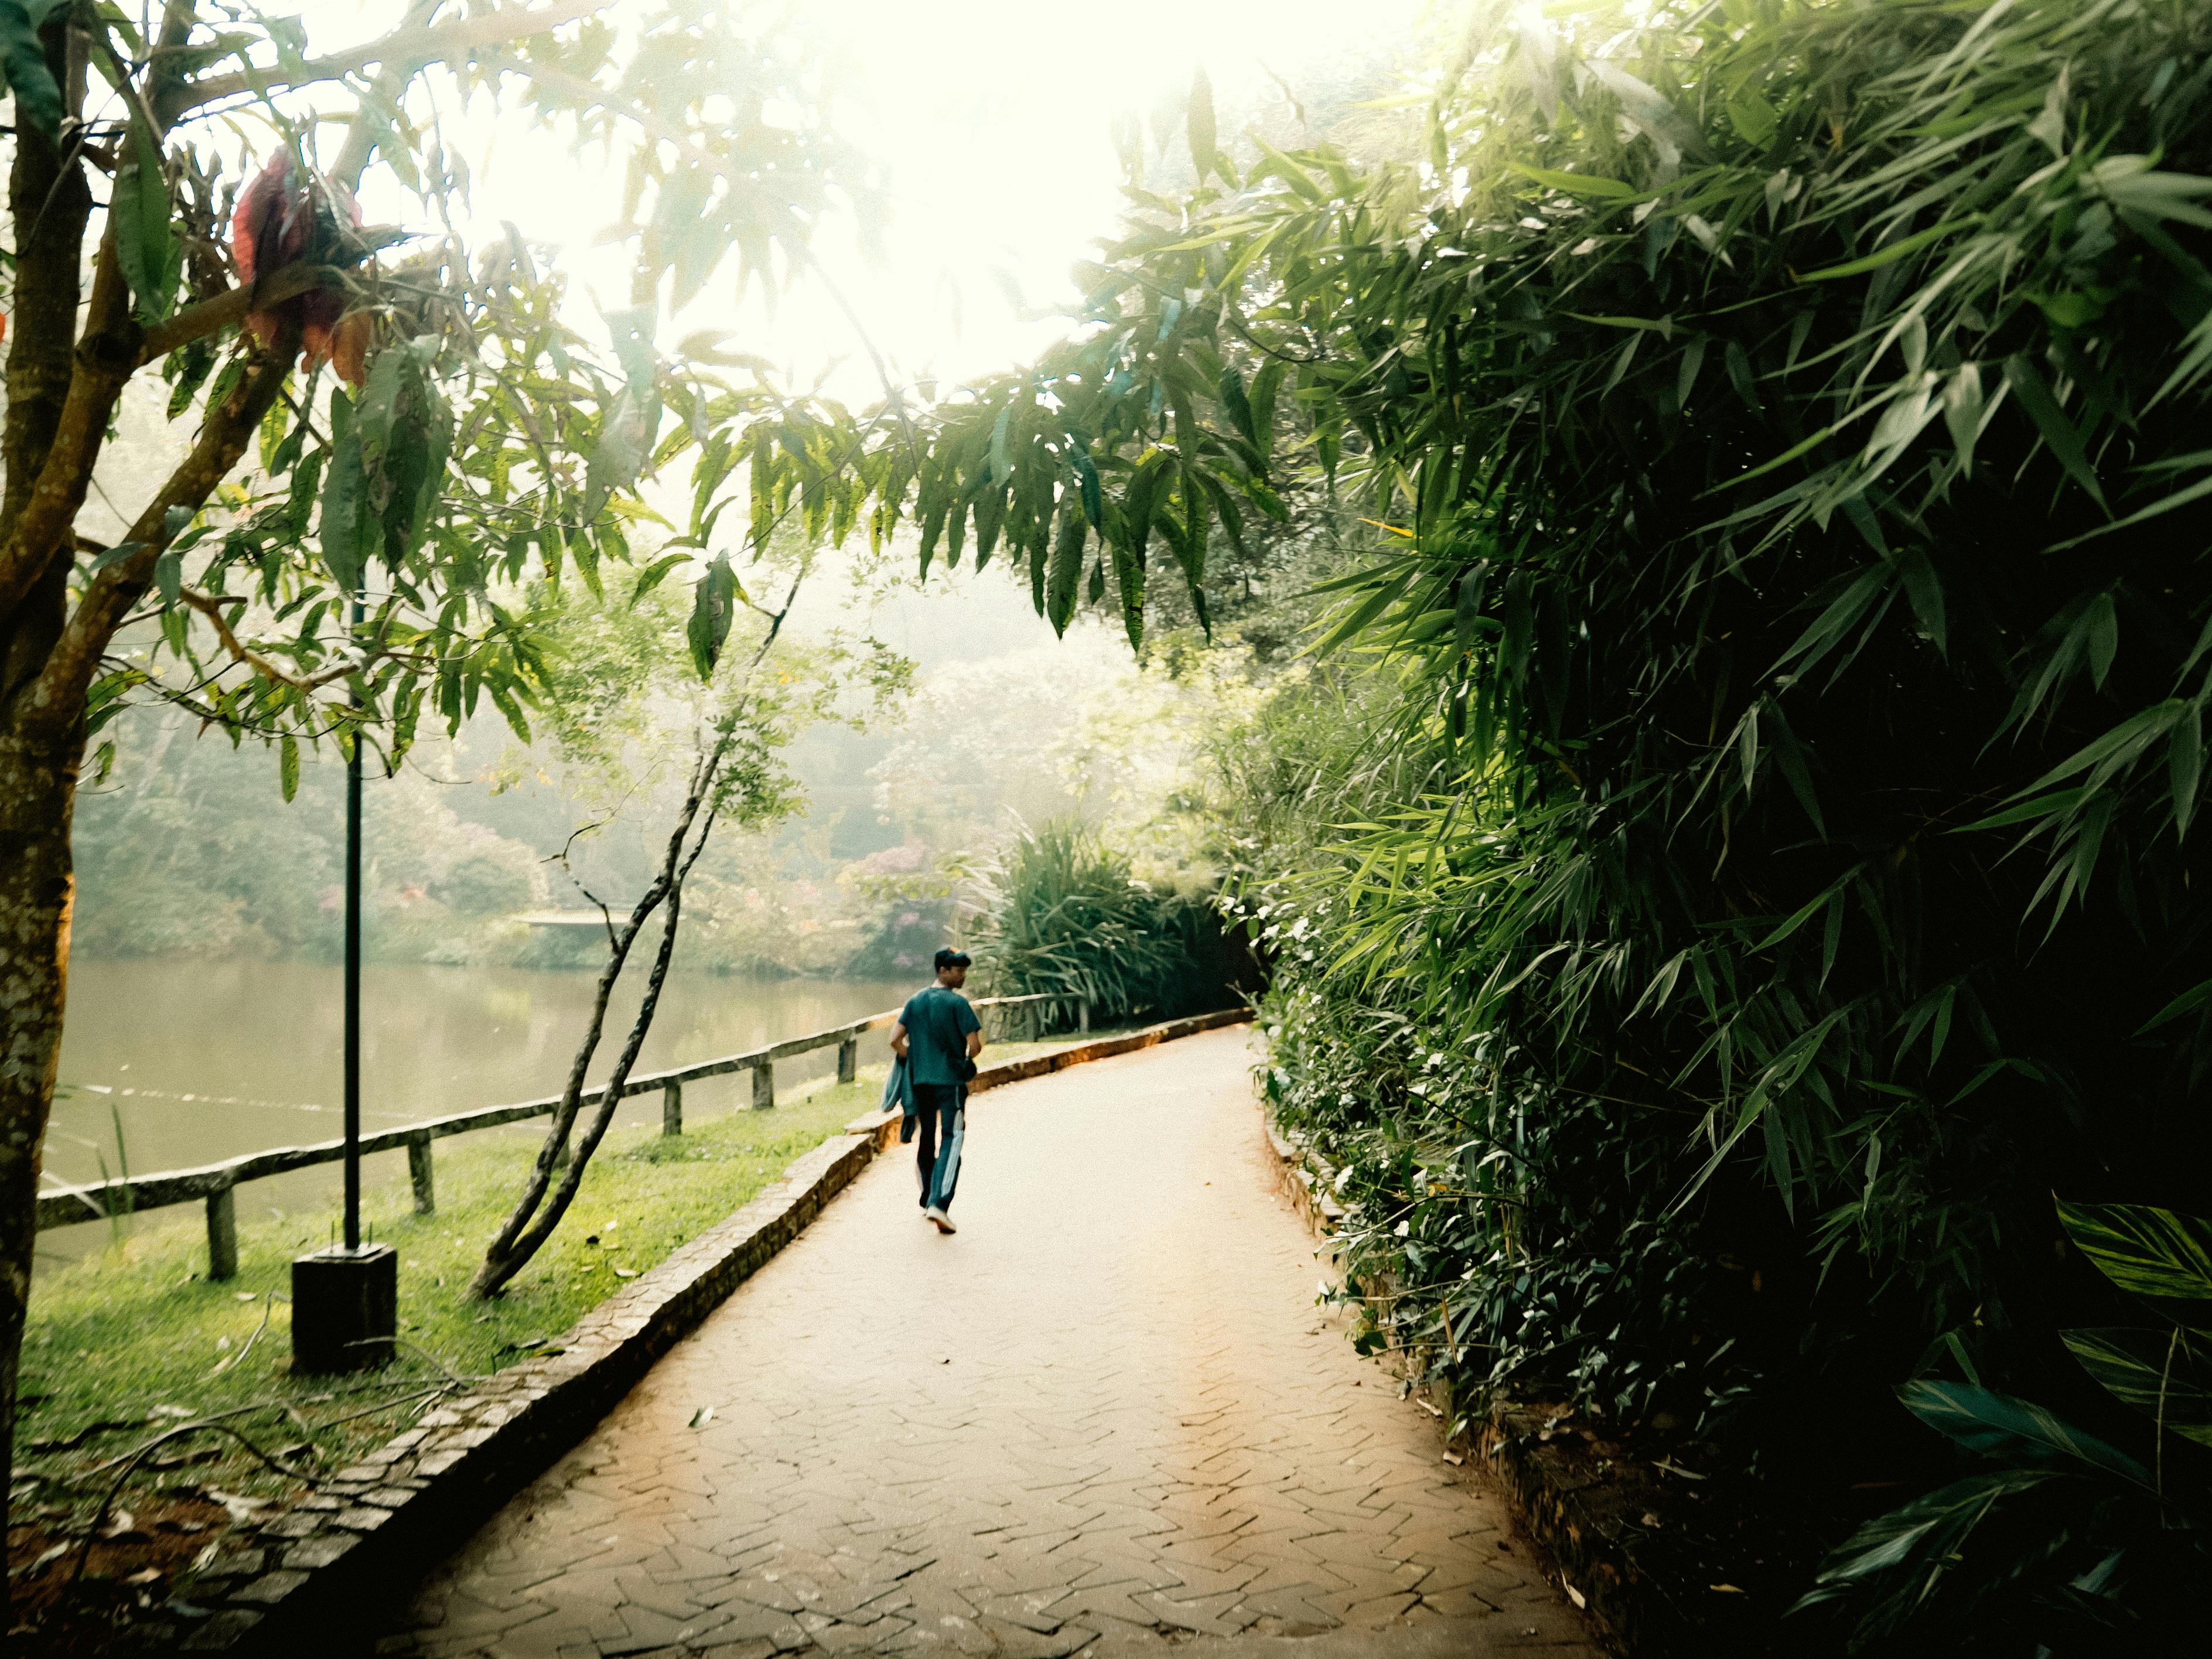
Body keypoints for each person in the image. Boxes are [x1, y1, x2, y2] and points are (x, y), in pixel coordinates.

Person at [890, 948, 983, 1234]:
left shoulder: (915, 1001)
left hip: (920, 1084)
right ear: (942, 970)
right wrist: (963, 1062)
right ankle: (939, 1204)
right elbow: (976, 1046)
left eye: (964, 970)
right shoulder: (958, 1004)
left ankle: (927, 1198)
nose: (963, 975)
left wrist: (914, 1060)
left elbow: (895, 1040)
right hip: (951, 1083)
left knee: (926, 1138)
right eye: (958, 970)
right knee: (952, 1138)